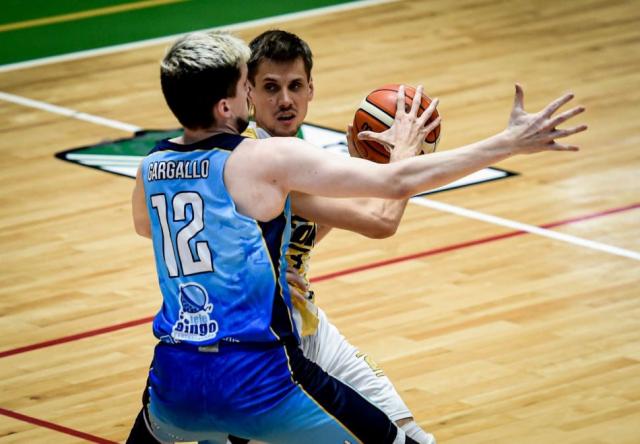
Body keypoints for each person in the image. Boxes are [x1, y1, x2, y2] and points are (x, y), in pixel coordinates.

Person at [129, 31, 585, 444]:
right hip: (263, 358)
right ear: (228, 103)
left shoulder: (152, 167)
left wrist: (266, 264)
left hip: (184, 364)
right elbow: (385, 208)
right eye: (253, 84)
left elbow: (154, 229)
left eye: (295, 86)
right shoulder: (265, 158)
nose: (273, 97)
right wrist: (499, 143)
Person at [241, 29, 433, 444]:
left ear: (311, 89)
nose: (285, 100)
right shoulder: (259, 158)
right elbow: (381, 222)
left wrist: (357, 172)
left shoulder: (295, 150)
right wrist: (402, 162)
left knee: (409, 435)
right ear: (248, 92)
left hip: (308, 325)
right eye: (271, 88)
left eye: (295, 86)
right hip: (264, 342)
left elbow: (300, 234)